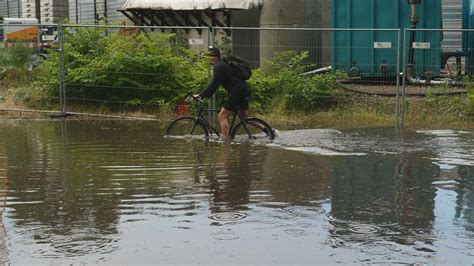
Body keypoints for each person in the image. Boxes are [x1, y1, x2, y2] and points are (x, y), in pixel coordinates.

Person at [194, 47, 252, 140]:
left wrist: (201, 95)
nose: (207, 59)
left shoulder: (219, 67)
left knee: (222, 116)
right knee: (245, 118)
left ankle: (226, 142)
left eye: (209, 56)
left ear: (216, 57)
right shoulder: (224, 64)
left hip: (238, 92)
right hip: (245, 90)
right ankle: (269, 131)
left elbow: (214, 85)